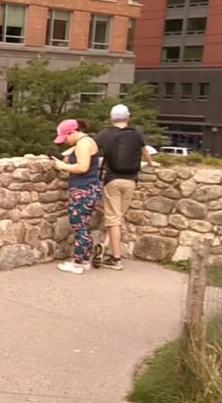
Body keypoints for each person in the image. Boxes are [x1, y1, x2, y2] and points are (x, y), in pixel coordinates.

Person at [92, 104, 159, 271]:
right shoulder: (136, 133)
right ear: (128, 117)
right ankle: (105, 247)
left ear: (111, 118)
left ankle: (116, 258)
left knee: (113, 218)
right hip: (131, 180)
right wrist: (151, 163)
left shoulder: (105, 134)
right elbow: (145, 152)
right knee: (117, 217)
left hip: (112, 180)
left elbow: (88, 147)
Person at [51, 119, 103, 275]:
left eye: (65, 137)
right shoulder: (86, 142)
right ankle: (84, 260)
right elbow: (70, 156)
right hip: (90, 188)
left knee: (79, 226)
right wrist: (59, 157)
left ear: (73, 132)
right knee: (84, 226)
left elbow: (82, 166)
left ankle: (78, 263)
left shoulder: (83, 144)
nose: (65, 141)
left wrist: (63, 167)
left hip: (83, 190)